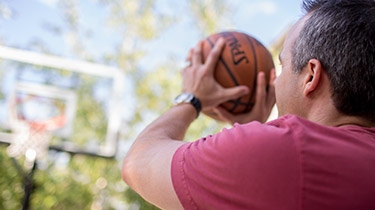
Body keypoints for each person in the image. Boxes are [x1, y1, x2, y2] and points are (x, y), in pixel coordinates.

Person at [122, 0, 375, 209]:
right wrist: (256, 129)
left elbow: (138, 163)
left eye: (283, 65)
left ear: (310, 76)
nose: (276, 82)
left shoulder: (290, 152)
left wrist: (191, 98)